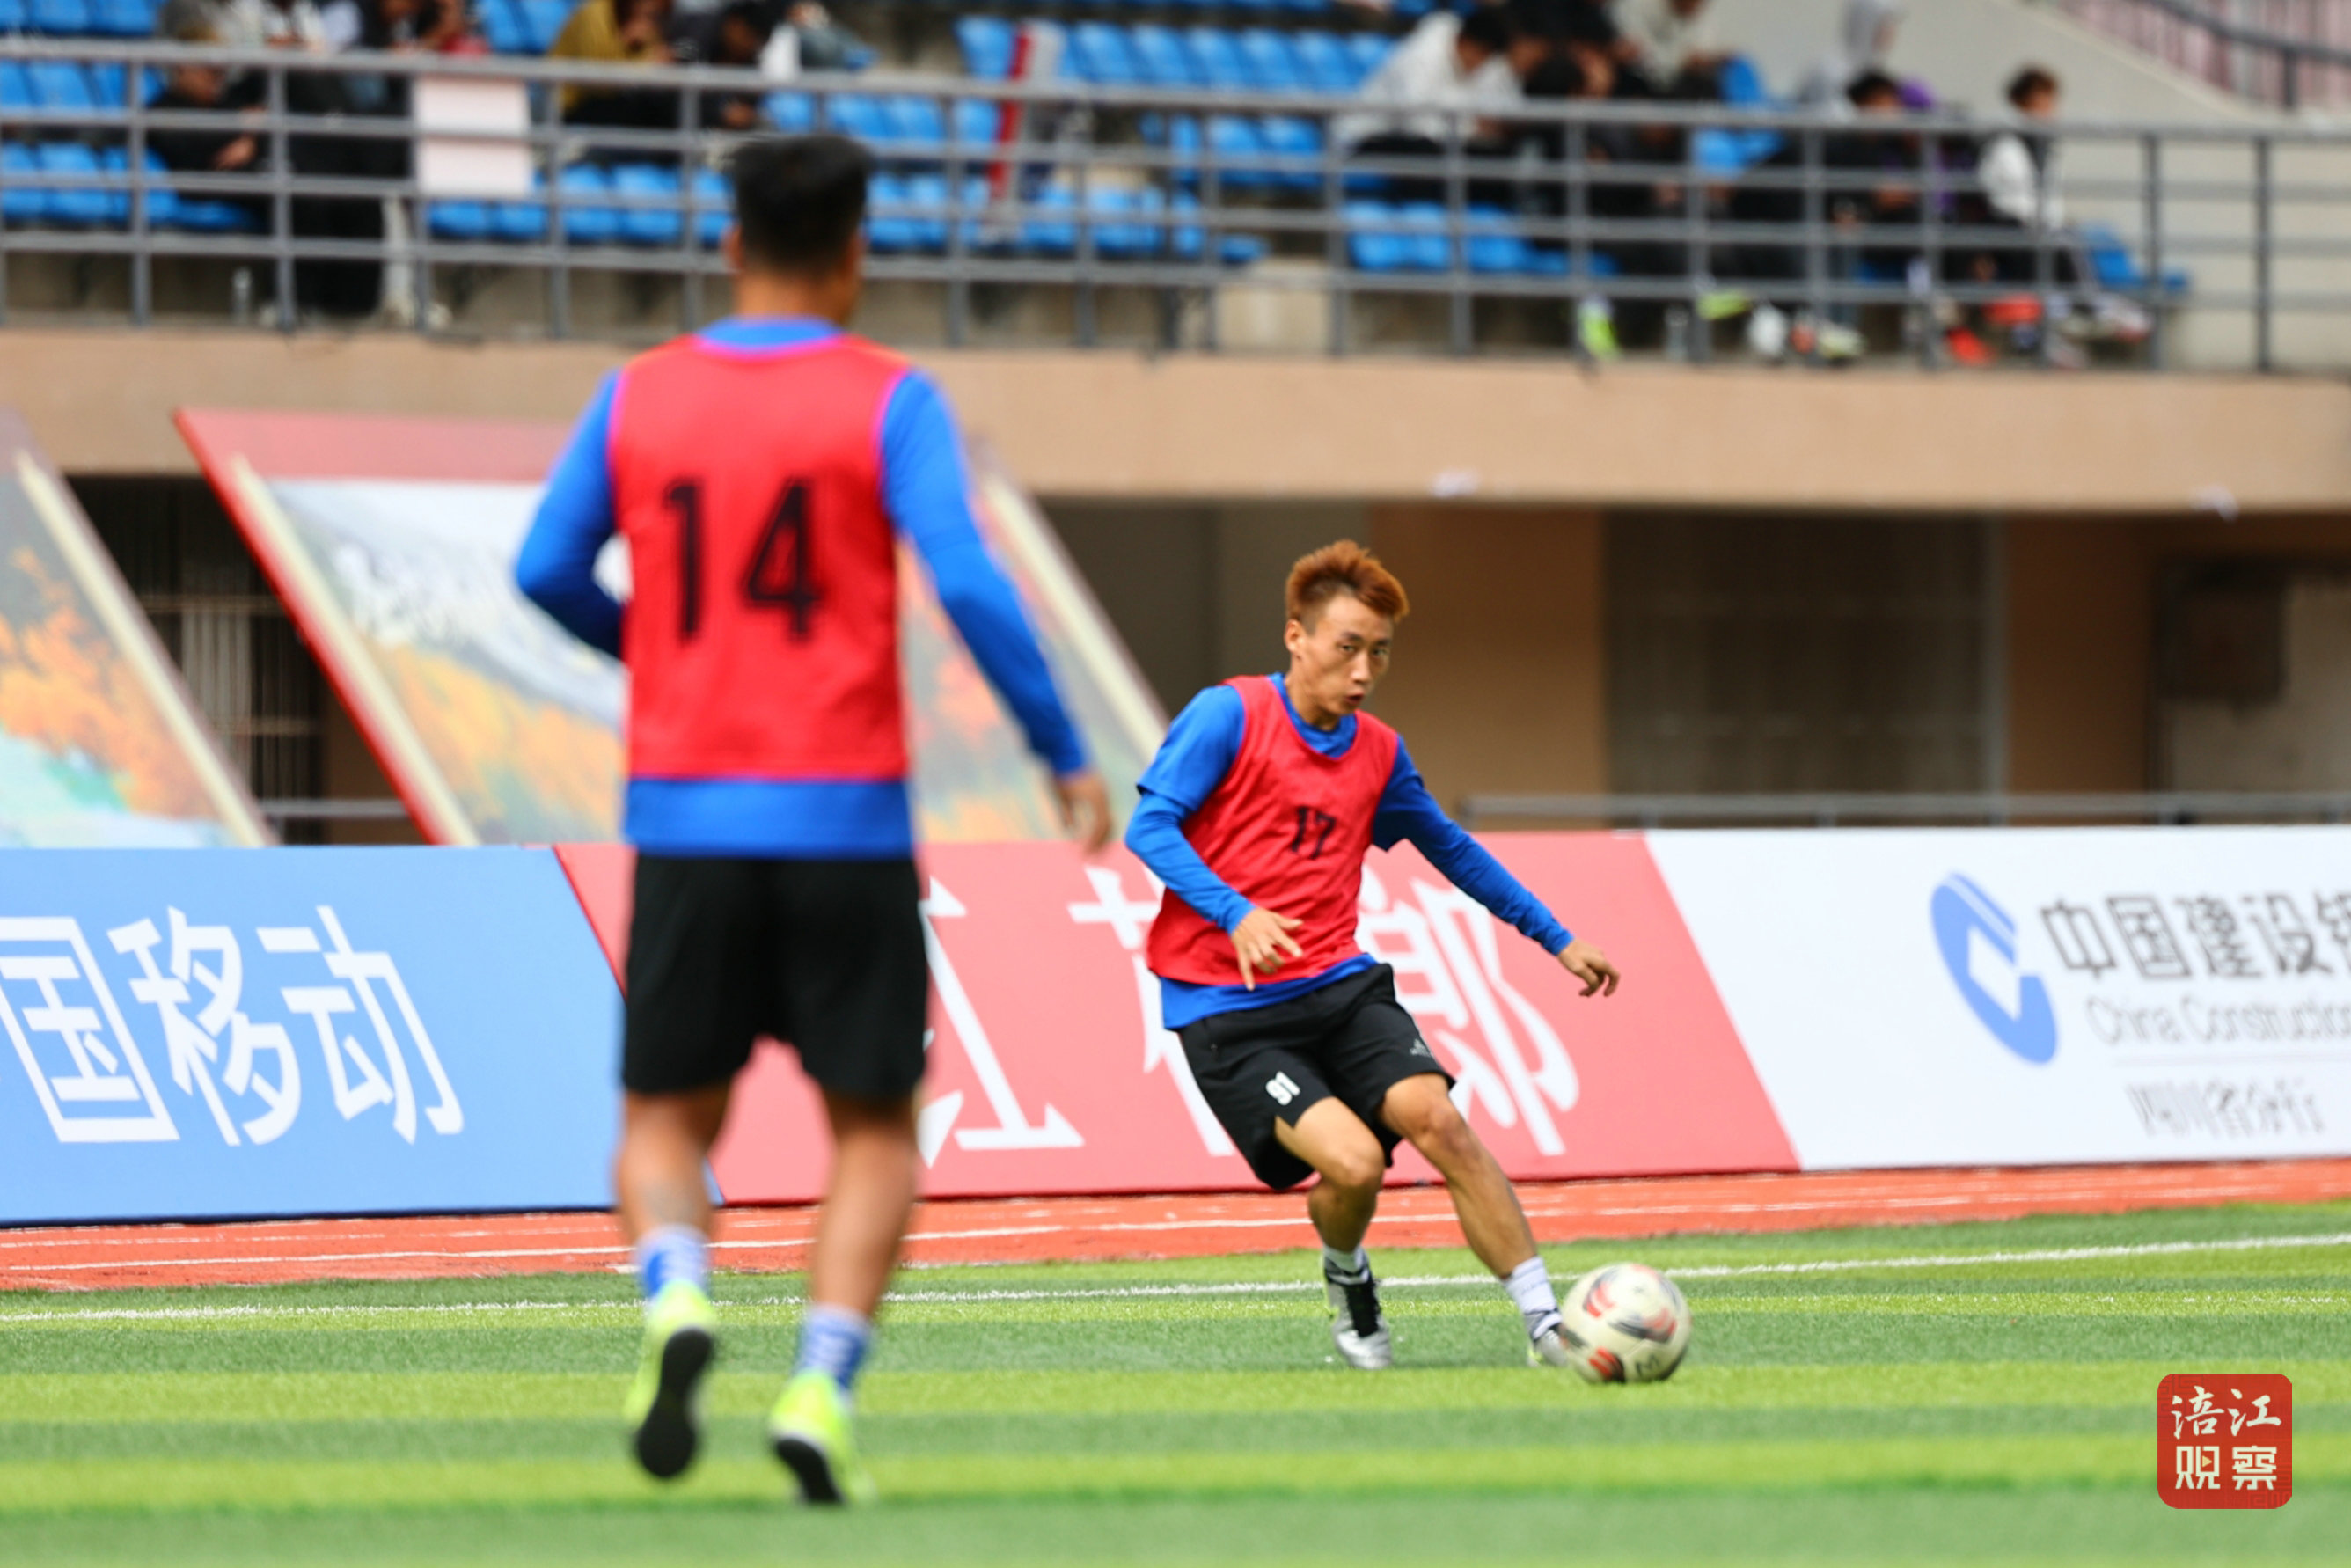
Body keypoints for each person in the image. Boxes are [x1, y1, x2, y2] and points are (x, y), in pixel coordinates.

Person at [513, 135, 1111, 1504]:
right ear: (855, 253)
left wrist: (654, 647)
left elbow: (544, 566)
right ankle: (819, 1388)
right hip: (847, 826)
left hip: (688, 822)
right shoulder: (890, 397)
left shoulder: (638, 394)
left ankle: (677, 1291)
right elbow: (969, 579)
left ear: (731, 244)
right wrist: (1061, 746)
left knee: (665, 1118)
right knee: (875, 1131)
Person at [1124, 541, 1622, 1373]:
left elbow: (1452, 850)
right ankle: (1348, 1274)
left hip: (1339, 986)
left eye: (1380, 652)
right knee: (1354, 1166)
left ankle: (1546, 1325)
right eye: (1347, 646)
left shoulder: (1380, 753)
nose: (1363, 671)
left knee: (1441, 1122)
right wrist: (1235, 912)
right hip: (1228, 1009)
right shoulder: (1229, 715)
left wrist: (1558, 937)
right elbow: (1150, 825)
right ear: (1296, 637)